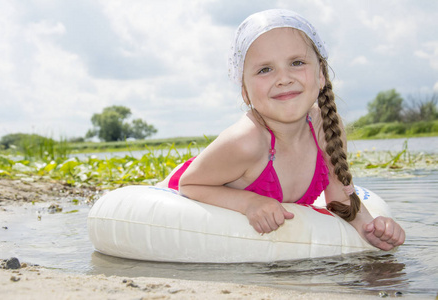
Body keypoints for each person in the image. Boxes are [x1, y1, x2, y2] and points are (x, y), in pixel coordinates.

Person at [157, 9, 405, 251]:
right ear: (245, 91)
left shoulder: (326, 128)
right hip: (194, 184)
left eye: (297, 63)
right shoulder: (246, 141)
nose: (284, 78)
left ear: (320, 76)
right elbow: (189, 186)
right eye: (265, 69)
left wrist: (372, 227)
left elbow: (339, 196)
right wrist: (249, 202)